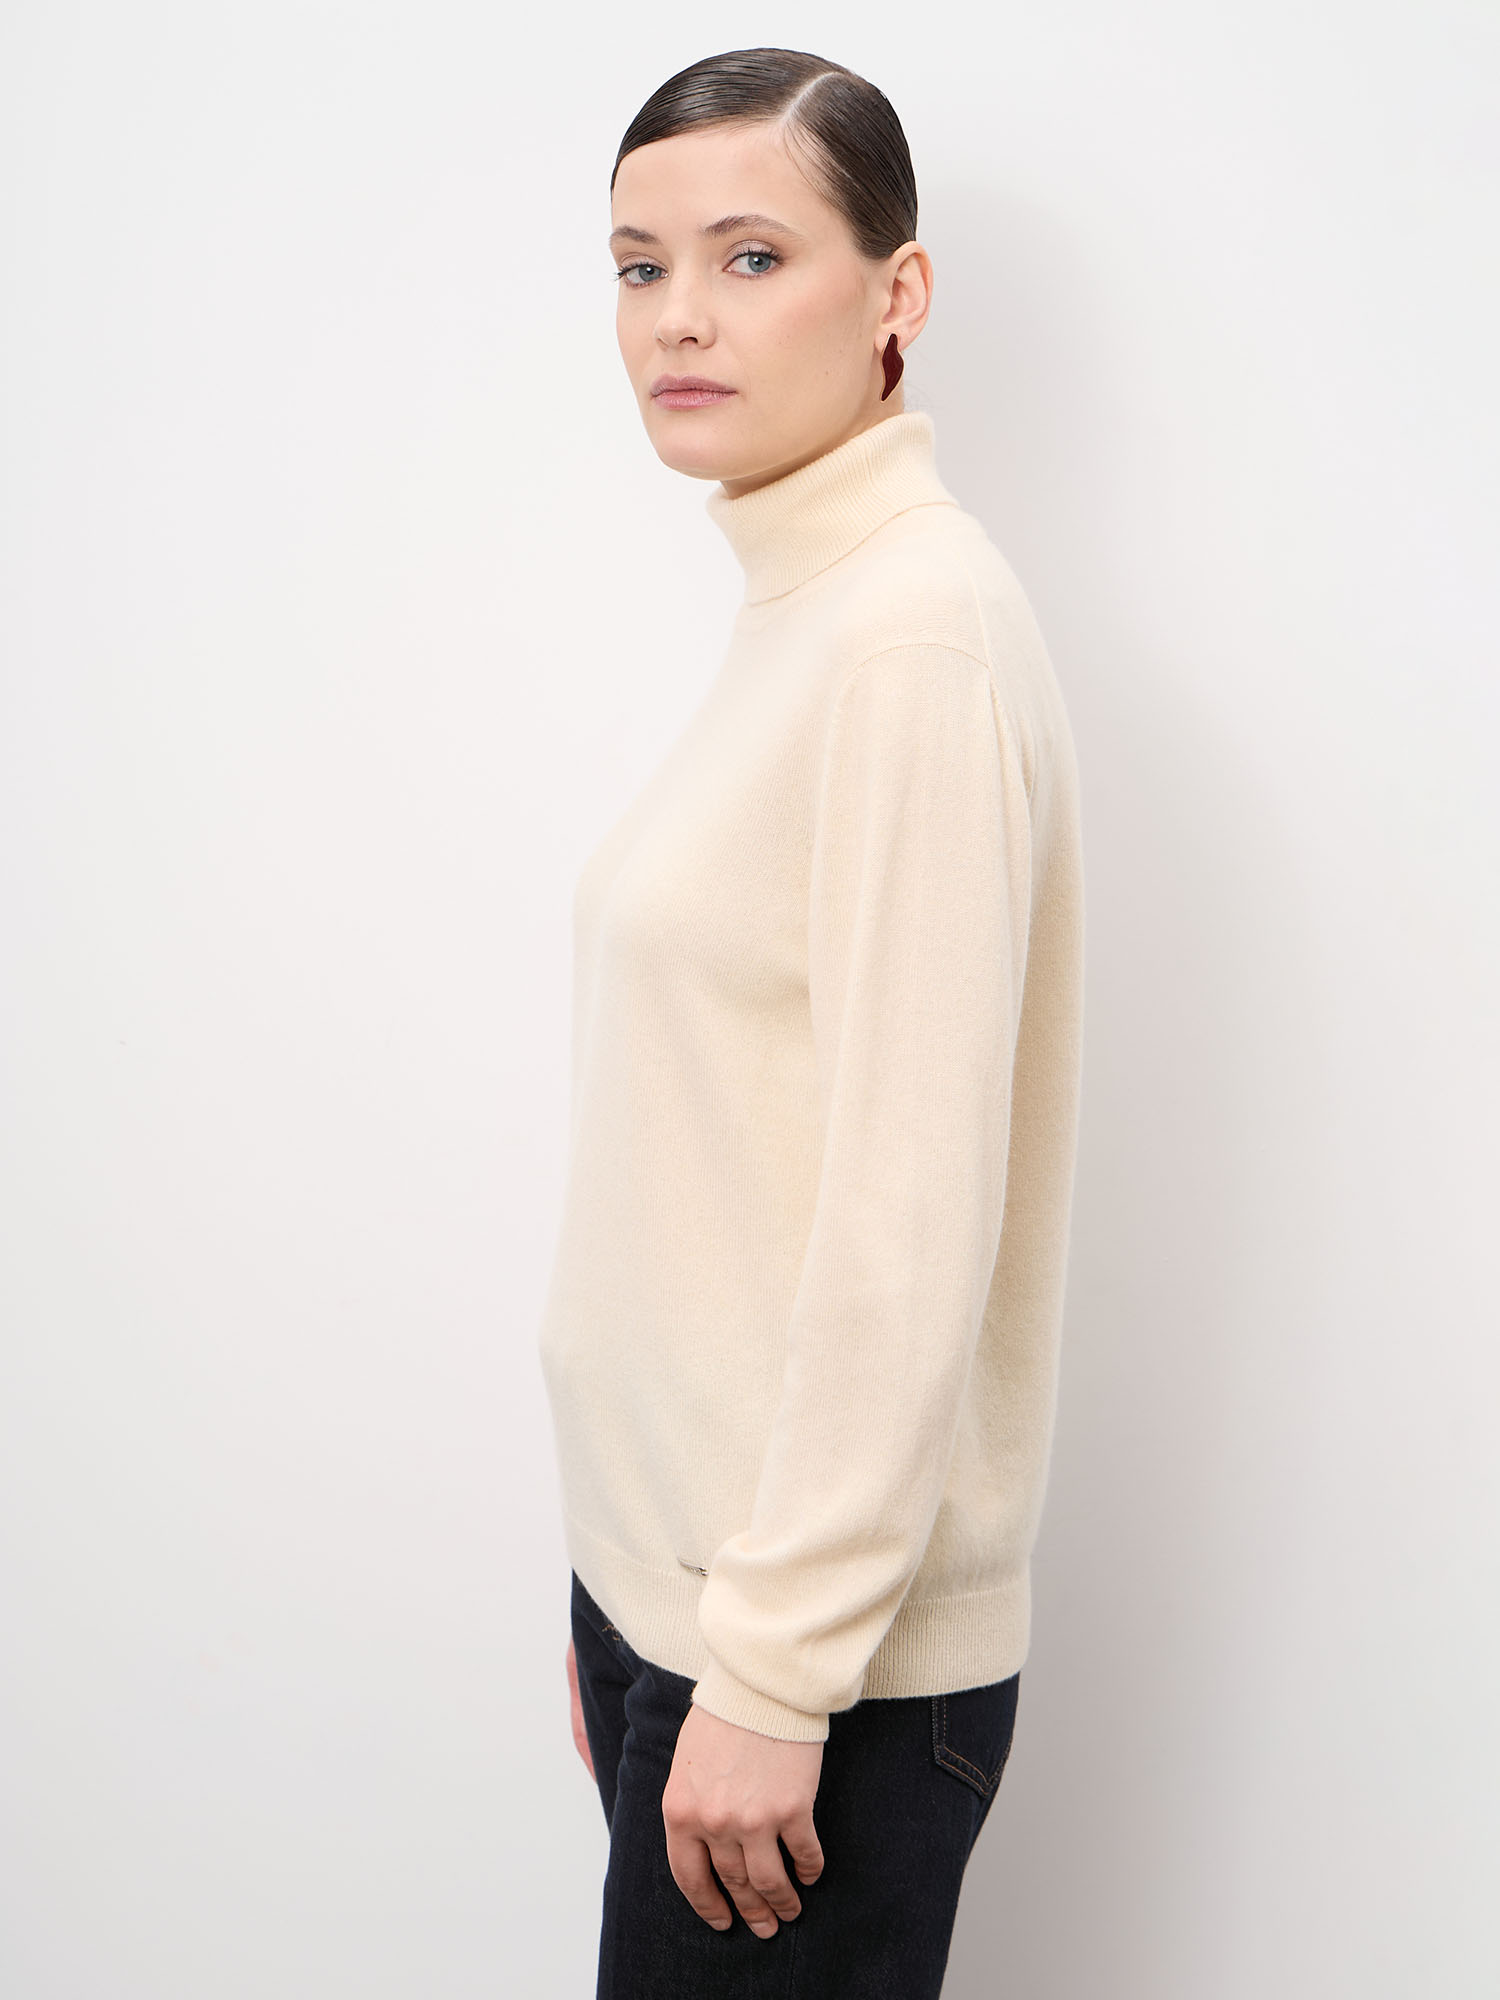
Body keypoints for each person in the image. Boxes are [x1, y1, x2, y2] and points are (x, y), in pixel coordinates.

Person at [537, 44, 1086, 1999]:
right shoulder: (813, 607)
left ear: (896, 295)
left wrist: (765, 1675)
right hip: (702, 1614)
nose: (678, 316)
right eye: (638, 266)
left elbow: (904, 1217)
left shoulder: (907, 639)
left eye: (750, 256)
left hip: (810, 1676)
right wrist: (628, 1601)